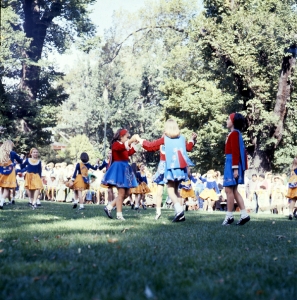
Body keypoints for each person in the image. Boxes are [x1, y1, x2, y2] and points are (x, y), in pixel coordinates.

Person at [136, 119, 197, 222]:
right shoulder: (181, 138)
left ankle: (179, 211)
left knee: (170, 190)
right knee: (176, 190)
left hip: (170, 167)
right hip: (180, 168)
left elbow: (150, 146)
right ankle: (180, 214)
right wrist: (192, 139)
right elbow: (189, 147)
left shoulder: (165, 139)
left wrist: (140, 139)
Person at [102, 129, 139, 220]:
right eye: (127, 137)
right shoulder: (115, 144)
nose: (128, 139)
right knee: (121, 193)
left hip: (125, 169)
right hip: (119, 170)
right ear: (120, 136)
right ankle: (119, 215)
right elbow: (121, 148)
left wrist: (134, 143)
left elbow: (128, 152)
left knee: (127, 193)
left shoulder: (124, 145)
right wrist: (130, 141)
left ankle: (109, 207)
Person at [222, 113, 250, 225]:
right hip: (233, 163)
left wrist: (235, 169)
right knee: (233, 190)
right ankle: (244, 214)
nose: (227, 120)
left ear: (233, 122)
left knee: (229, 190)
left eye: (229, 119)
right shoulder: (236, 134)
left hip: (232, 163)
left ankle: (229, 216)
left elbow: (235, 152)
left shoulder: (234, 134)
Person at [0, 140, 23, 209]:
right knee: (7, 187)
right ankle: (1, 203)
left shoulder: (0, 152)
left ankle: (1, 200)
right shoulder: (12, 153)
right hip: (10, 171)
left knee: (1, 186)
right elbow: (20, 161)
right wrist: (21, 157)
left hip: (1, 170)